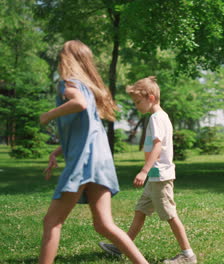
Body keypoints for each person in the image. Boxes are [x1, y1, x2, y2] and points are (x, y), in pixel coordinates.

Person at [38, 40, 149, 264]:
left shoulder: (69, 84)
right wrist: (58, 152)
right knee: (104, 225)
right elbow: (87, 130)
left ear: (66, 59)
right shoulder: (88, 89)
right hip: (100, 160)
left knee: (52, 221)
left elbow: (78, 104)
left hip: (83, 161)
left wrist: (48, 115)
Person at [99, 77, 197, 264]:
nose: (136, 106)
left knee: (170, 214)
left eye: (138, 102)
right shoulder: (160, 117)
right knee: (140, 211)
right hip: (155, 177)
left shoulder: (156, 118)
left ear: (150, 97)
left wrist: (144, 171)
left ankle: (187, 254)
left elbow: (157, 147)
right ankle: (122, 247)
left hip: (159, 176)